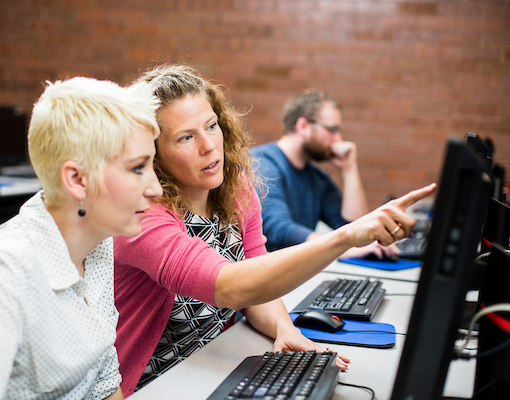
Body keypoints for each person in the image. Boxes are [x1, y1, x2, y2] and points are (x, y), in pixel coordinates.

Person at [113, 64, 436, 396]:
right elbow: (229, 286)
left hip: (214, 363)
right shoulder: (140, 216)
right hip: (150, 385)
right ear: (152, 153)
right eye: (185, 137)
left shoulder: (234, 187)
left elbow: (256, 282)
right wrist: (344, 237)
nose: (209, 146)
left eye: (212, 126)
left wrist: (285, 328)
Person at [0, 76, 163, 399]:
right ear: (77, 180)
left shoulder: (99, 244)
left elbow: (105, 383)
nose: (156, 188)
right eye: (138, 168)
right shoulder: (3, 271)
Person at [252, 89, 395, 258]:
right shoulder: (260, 163)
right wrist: (340, 247)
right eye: (332, 129)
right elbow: (277, 228)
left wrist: (349, 169)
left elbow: (353, 229)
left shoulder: (316, 177)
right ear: (303, 127)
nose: (338, 139)